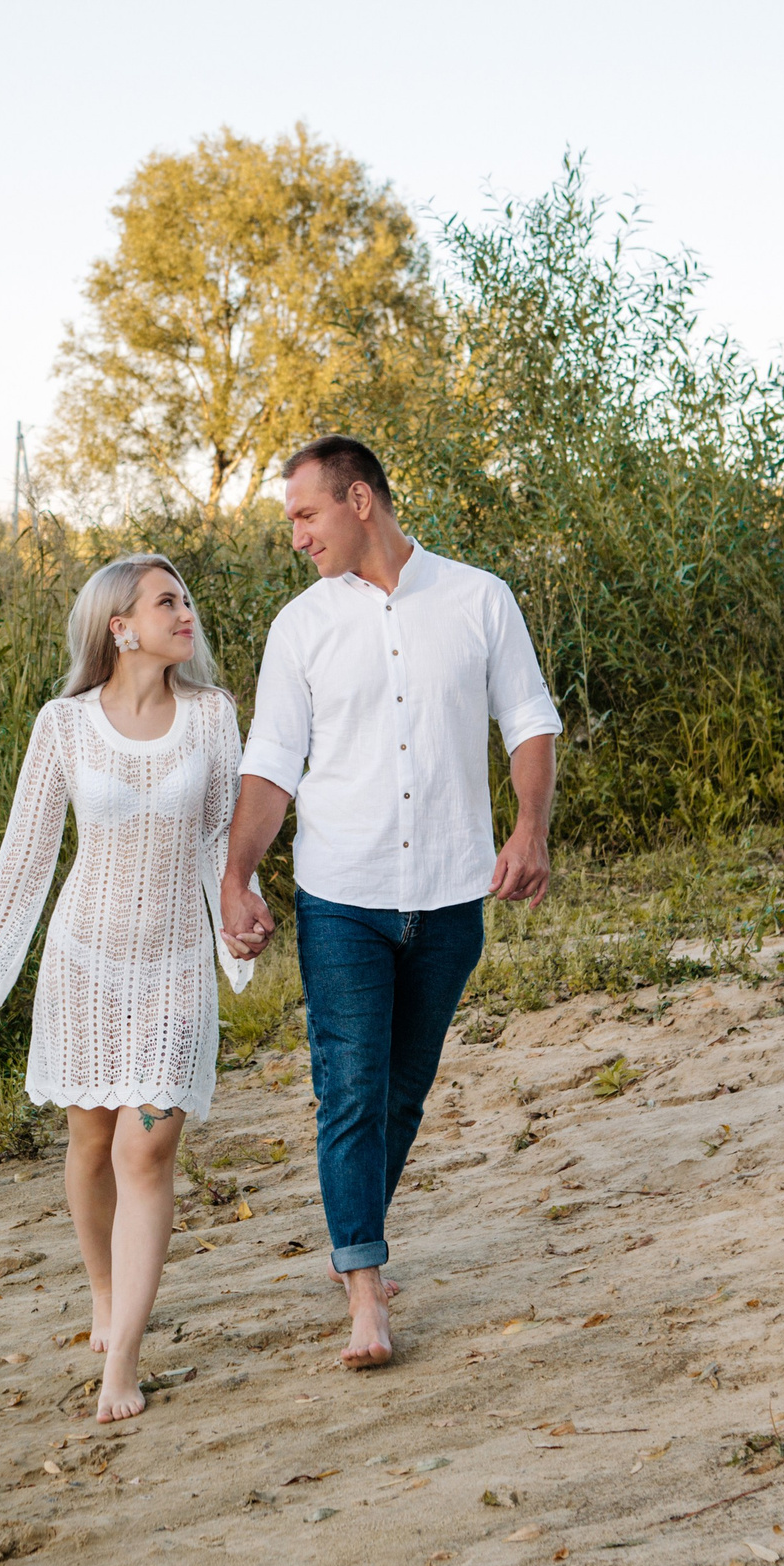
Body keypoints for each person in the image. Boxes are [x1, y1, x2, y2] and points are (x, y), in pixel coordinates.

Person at [221, 435, 562, 1370]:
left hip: (453, 893)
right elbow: (270, 767)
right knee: (352, 1089)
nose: (296, 537)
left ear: (360, 499)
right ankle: (365, 1292)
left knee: (403, 1092)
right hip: (343, 894)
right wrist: (236, 875)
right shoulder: (301, 627)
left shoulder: (479, 599)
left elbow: (528, 720)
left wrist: (528, 829)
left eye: (305, 515)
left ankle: (352, 1237)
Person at [0, 555, 261, 1423]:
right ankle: (102, 1288)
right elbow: (28, 851)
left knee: (146, 1152)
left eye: (187, 598)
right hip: (84, 965)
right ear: (119, 627)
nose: (186, 611)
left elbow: (220, 845)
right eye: (168, 602)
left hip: (173, 969)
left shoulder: (212, 719)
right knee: (88, 1146)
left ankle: (122, 1358)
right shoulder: (64, 725)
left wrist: (240, 924)